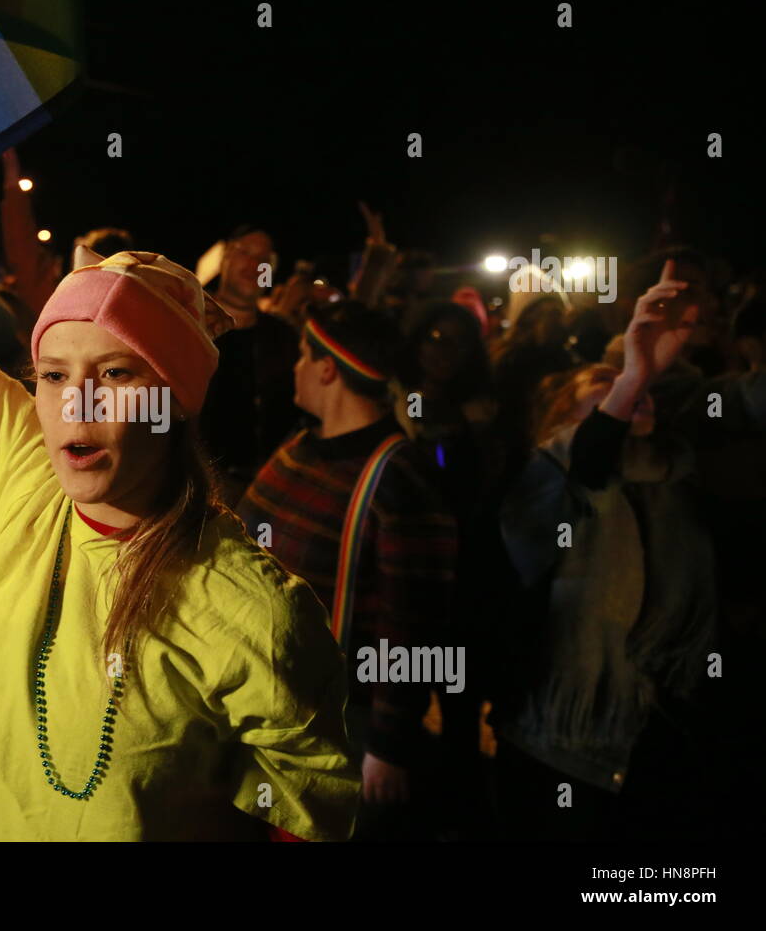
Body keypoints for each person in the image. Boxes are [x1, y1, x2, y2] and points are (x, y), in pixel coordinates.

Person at [0, 0, 358, 841]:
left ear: (174, 400)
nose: (72, 402)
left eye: (114, 375)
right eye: (50, 374)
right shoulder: (18, 470)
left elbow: (306, 816)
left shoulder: (253, 611)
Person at [495, 261, 720, 839]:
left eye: (633, 393)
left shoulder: (676, 475)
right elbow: (588, 465)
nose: (626, 399)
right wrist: (628, 378)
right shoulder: (547, 480)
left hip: (662, 735)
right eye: (600, 401)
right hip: (561, 744)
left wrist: (652, 369)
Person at [235, 300, 457, 840]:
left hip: (341, 730)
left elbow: (414, 624)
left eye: (303, 356)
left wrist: (387, 745)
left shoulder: (397, 478)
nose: (294, 367)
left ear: (328, 369)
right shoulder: (301, 446)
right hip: (270, 714)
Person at [198, 225, 302, 505]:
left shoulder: (284, 338)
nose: (254, 265)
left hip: (269, 492)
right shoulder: (188, 328)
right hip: (200, 493)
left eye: (264, 259)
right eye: (244, 253)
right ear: (223, 259)